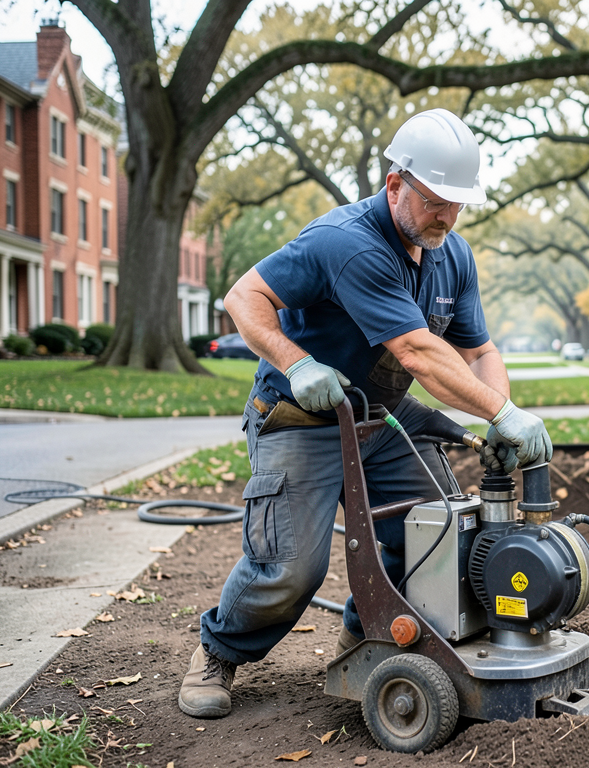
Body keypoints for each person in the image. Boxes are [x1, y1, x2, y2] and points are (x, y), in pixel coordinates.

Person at [177, 108, 553, 719]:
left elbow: (479, 352)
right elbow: (244, 297)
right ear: (395, 184)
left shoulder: (452, 255)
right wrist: (296, 361)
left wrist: (499, 416)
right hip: (299, 418)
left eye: (458, 205)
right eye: (435, 202)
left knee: (435, 532)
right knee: (291, 569)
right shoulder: (347, 242)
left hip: (382, 415)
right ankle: (218, 651)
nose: (447, 217)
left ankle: (368, 641)